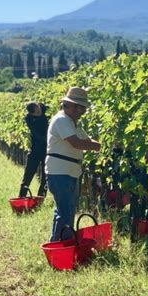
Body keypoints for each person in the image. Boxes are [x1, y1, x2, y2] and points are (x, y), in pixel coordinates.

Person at [45, 87, 101, 241]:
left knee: (65, 211)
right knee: (65, 212)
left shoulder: (72, 123)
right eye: (80, 107)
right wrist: (98, 147)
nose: (83, 111)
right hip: (60, 173)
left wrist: (103, 146)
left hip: (68, 172)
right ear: (70, 105)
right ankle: (62, 246)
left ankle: (59, 244)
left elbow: (87, 141)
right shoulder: (62, 120)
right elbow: (76, 143)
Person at [18, 102, 49, 198]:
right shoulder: (29, 120)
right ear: (32, 114)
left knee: (45, 177)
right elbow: (37, 135)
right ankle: (21, 197)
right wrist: (50, 139)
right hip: (35, 151)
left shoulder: (45, 110)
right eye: (37, 112)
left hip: (47, 151)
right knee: (28, 176)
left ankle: (40, 199)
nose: (40, 112)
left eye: (39, 109)